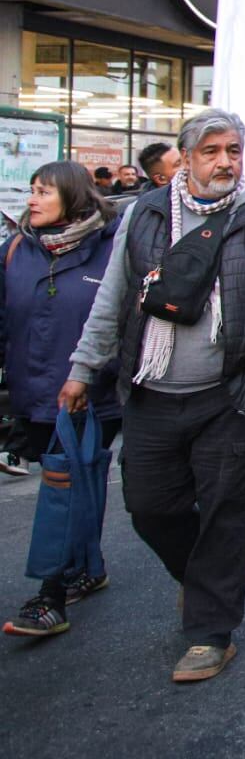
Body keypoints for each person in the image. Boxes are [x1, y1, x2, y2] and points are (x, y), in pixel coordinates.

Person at [61, 108, 245, 682]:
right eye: (211, 151)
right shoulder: (145, 215)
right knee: (149, 507)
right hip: (150, 392)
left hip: (230, 395)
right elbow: (113, 299)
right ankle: (199, 582)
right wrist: (83, 368)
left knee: (227, 515)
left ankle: (209, 634)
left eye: (233, 150)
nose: (225, 161)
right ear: (185, 158)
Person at [0, 163, 121, 636]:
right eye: (31, 191)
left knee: (62, 489)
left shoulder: (111, 250)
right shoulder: (14, 251)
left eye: (44, 191)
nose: (32, 200)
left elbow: (121, 323)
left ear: (72, 197)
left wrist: (95, 375)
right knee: (77, 486)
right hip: (33, 394)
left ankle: (50, 597)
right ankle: (88, 567)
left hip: (90, 396)